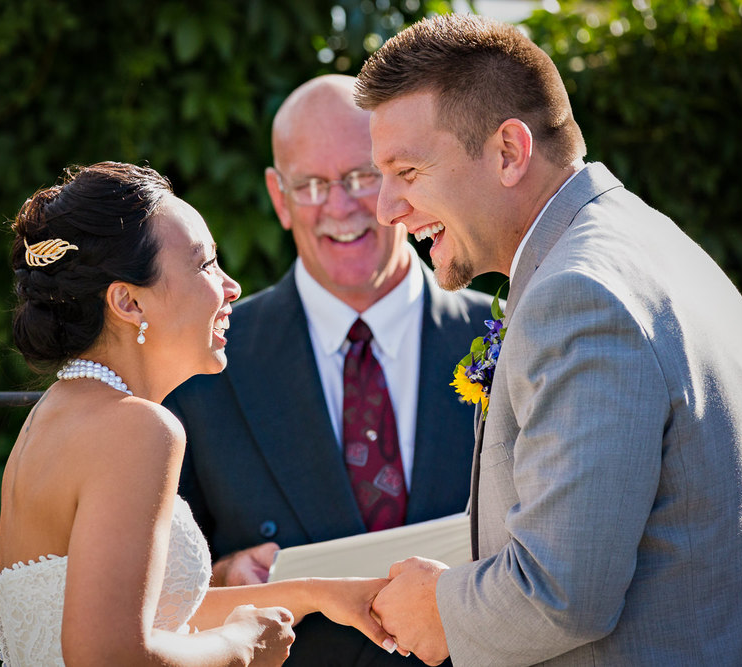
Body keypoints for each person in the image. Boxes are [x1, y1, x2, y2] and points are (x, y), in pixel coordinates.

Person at [351, 13, 742, 666]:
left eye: (409, 171)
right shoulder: (652, 245)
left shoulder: (580, 295)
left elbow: (562, 591)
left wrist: (440, 608)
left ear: (509, 151)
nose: (386, 207)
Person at [0, 161, 400, 665]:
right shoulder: (137, 428)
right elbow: (108, 654)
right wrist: (241, 647)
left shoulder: (59, 413)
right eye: (204, 266)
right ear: (128, 302)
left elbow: (148, 616)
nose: (232, 288)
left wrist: (317, 594)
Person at [164, 75, 494, 665]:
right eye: (312, 185)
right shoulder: (202, 363)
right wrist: (217, 576)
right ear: (278, 195)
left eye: (362, 177)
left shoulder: (503, 337)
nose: (340, 207)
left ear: (403, 181)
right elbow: (147, 590)